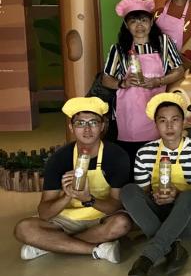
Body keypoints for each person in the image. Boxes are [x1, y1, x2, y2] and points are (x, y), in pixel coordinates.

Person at [14, 97, 132, 263]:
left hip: (101, 217)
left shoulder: (116, 156)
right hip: (66, 220)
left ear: (102, 126)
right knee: (23, 229)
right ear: (71, 127)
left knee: (122, 224)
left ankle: (47, 245)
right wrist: (67, 196)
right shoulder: (60, 158)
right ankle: (97, 250)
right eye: (80, 123)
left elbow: (115, 205)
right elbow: (44, 213)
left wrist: (89, 199)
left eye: (93, 122)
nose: (87, 129)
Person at [122, 93, 191, 276]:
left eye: (175, 120)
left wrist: (179, 195)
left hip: (188, 219)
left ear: (183, 122)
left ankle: (148, 257)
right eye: (162, 121)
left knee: (190, 196)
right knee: (128, 190)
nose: (169, 126)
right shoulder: (145, 152)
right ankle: (174, 247)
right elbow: (141, 196)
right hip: (157, 214)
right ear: (155, 124)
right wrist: (155, 196)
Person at [101, 0, 185, 164]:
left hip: (158, 110)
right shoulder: (118, 49)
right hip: (130, 113)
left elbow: (179, 70)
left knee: (158, 155)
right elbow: (106, 79)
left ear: (151, 22)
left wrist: (158, 81)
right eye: (133, 21)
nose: (139, 25)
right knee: (133, 157)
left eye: (143, 20)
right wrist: (122, 83)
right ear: (126, 25)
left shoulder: (163, 43)